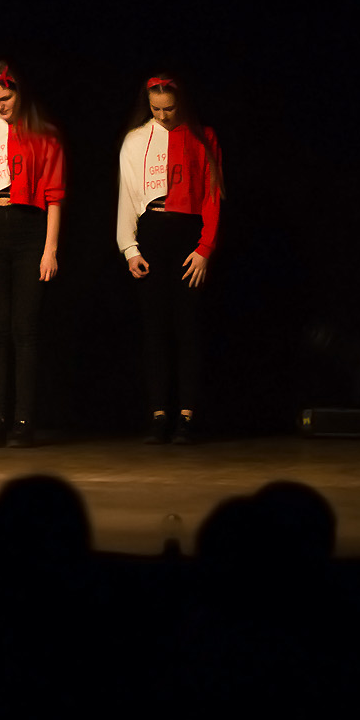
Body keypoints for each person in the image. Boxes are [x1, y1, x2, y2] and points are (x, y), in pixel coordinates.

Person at [0, 62, 66, 447]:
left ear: (19, 92)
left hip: (30, 231)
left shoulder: (43, 134)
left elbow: (54, 197)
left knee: (25, 329)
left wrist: (49, 250)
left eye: (5, 98)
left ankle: (24, 422)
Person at [117, 72, 223, 444]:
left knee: (187, 327)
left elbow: (212, 195)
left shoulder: (202, 136)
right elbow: (128, 197)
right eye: (156, 109)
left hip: (188, 235)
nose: (163, 115)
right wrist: (129, 248)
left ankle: (187, 416)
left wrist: (205, 248)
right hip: (152, 231)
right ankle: (159, 414)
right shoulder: (135, 139)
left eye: (170, 108)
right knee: (155, 329)